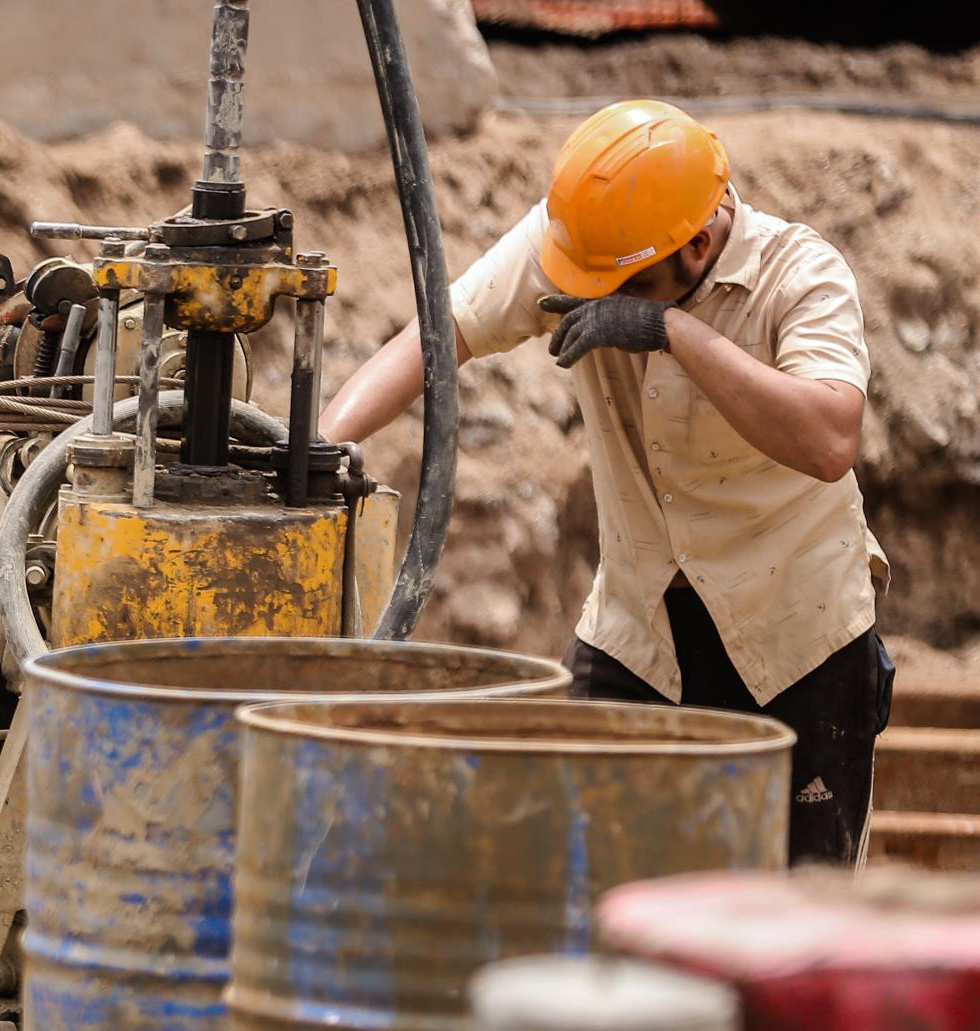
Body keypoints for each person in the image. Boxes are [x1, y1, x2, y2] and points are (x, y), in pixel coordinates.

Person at [324, 99, 892, 865]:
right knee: (574, 877)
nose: (605, 293)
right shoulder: (593, 240)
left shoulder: (801, 276)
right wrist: (322, 449)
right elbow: (442, 332)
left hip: (796, 632)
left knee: (794, 914)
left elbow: (830, 440)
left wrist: (673, 334)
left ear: (697, 245)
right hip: (641, 626)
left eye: (629, 287)